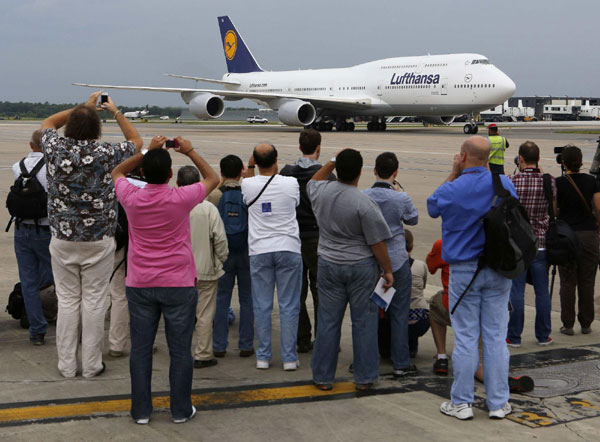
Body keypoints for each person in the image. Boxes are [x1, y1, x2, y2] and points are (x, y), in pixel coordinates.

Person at [112, 135, 219, 424]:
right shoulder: (180, 197)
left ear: (143, 173)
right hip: (178, 282)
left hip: (141, 282)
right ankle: (181, 410)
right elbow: (213, 177)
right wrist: (190, 150)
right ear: (171, 175)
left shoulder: (132, 197)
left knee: (141, 350)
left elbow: (117, 172)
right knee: (180, 350)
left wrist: (148, 150)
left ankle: (142, 411)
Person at [40, 91, 142, 378]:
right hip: (99, 238)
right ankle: (92, 364)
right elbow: (137, 143)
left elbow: (48, 121)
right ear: (97, 130)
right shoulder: (106, 153)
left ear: (70, 127)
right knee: (95, 300)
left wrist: (83, 107)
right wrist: (116, 112)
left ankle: (67, 365)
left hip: (63, 237)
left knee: (69, 300)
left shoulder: (56, 147)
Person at [427, 135, 516, 420]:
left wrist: (454, 173)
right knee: (495, 337)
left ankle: (462, 402)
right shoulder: (504, 184)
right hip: (498, 269)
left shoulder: (453, 188)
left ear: (463, 156)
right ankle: (499, 403)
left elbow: (431, 206)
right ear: (488, 158)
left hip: (464, 270)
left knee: (466, 337)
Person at [308, 148, 394, 391]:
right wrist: (387, 271)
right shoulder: (364, 202)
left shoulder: (320, 192)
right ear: (359, 173)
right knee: (364, 323)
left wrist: (333, 160)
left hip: (328, 263)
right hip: (360, 267)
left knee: (327, 322)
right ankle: (365, 377)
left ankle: (323, 376)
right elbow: (377, 242)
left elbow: (315, 179)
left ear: (337, 169)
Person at [241, 144, 302, 371]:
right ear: (276, 159)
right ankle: (288, 357)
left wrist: (250, 165)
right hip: (288, 246)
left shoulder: (247, 184)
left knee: (262, 305)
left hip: (259, 250)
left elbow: (248, 184)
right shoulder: (290, 182)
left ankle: (263, 356)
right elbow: (295, 204)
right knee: (289, 305)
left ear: (255, 162)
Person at [280, 129, 335, 353]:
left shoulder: (286, 172)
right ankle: (324, 337)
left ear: (300, 147)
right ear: (319, 148)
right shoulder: (326, 176)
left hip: (293, 236)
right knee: (321, 290)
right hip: (317, 237)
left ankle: (302, 337)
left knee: (296, 292)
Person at [363, 152, 418, 377]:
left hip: (371, 260)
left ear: (374, 171)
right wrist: (401, 196)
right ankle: (401, 362)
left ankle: (368, 359)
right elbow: (413, 219)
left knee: (369, 312)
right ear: (395, 173)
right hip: (396, 259)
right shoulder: (400, 198)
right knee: (399, 312)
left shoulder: (364, 196)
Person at [177, 165, 229, 369]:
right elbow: (220, 240)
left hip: (179, 271)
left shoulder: (173, 205)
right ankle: (203, 353)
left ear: (179, 184)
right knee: (205, 314)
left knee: (181, 315)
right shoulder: (208, 209)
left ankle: (181, 351)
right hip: (205, 269)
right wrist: (220, 260)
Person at [506, 141, 554, 347]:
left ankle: (514, 336)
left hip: (517, 243)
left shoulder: (511, 180)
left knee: (516, 291)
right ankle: (543, 335)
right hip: (541, 242)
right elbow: (553, 208)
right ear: (539, 159)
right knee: (542, 292)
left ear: (521, 159)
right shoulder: (549, 181)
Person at [208, 155, 254, 358]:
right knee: (247, 299)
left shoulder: (215, 196)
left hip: (223, 253)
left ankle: (219, 345)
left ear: (221, 172)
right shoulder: (248, 194)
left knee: (221, 299)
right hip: (245, 251)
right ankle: (246, 344)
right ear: (242, 171)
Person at [11, 129, 54, 345]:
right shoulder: (52, 169)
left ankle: (37, 330)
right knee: (57, 278)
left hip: (22, 230)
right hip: (46, 230)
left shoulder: (16, 167)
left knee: (28, 282)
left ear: (31, 145)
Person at [556, 145, 600, 335]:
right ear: (581, 161)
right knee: (587, 280)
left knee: (567, 281)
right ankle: (586, 322)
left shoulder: (559, 182)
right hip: (588, 235)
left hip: (567, 237)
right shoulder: (592, 181)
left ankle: (567, 324)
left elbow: (555, 210)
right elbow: (598, 208)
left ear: (563, 162)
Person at [426, 239, 451, 375]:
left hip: (453, 303)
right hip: (484, 307)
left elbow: (431, 267)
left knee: (435, 303)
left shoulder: (443, 244)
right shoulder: (488, 239)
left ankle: (441, 356)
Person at [404, 230, 430, 359]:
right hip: (419, 320)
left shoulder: (387, 266)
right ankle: (412, 347)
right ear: (412, 247)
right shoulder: (420, 265)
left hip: (393, 320)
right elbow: (423, 286)